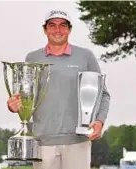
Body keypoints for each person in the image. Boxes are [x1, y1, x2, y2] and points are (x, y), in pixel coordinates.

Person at [7, 9, 110, 169]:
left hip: (78, 141)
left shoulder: (85, 56)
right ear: (45, 29)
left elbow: (102, 94)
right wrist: (13, 104)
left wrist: (100, 121)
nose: (57, 30)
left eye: (62, 25)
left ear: (69, 29)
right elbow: (25, 96)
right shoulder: (32, 58)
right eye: (52, 25)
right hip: (43, 142)